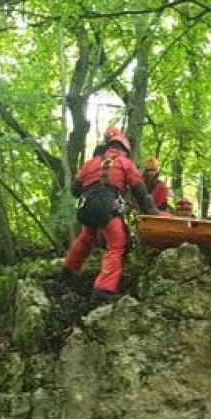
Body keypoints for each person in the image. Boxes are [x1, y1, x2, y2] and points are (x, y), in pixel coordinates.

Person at [64, 127, 157, 301]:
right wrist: (153, 212)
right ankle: (103, 289)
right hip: (107, 204)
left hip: (86, 205)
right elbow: (140, 191)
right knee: (117, 244)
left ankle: (68, 270)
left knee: (87, 237)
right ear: (124, 150)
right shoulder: (125, 163)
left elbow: (75, 190)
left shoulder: (91, 163)